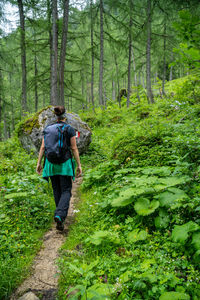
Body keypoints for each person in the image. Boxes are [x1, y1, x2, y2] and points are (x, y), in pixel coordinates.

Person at [36, 106, 82, 231]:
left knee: (56, 190)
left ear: (55, 117)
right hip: (65, 163)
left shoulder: (48, 129)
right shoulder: (69, 129)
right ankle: (60, 215)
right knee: (66, 190)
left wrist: (39, 163)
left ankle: (59, 217)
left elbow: (43, 148)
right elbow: (73, 148)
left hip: (50, 164)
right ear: (65, 116)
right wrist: (79, 165)